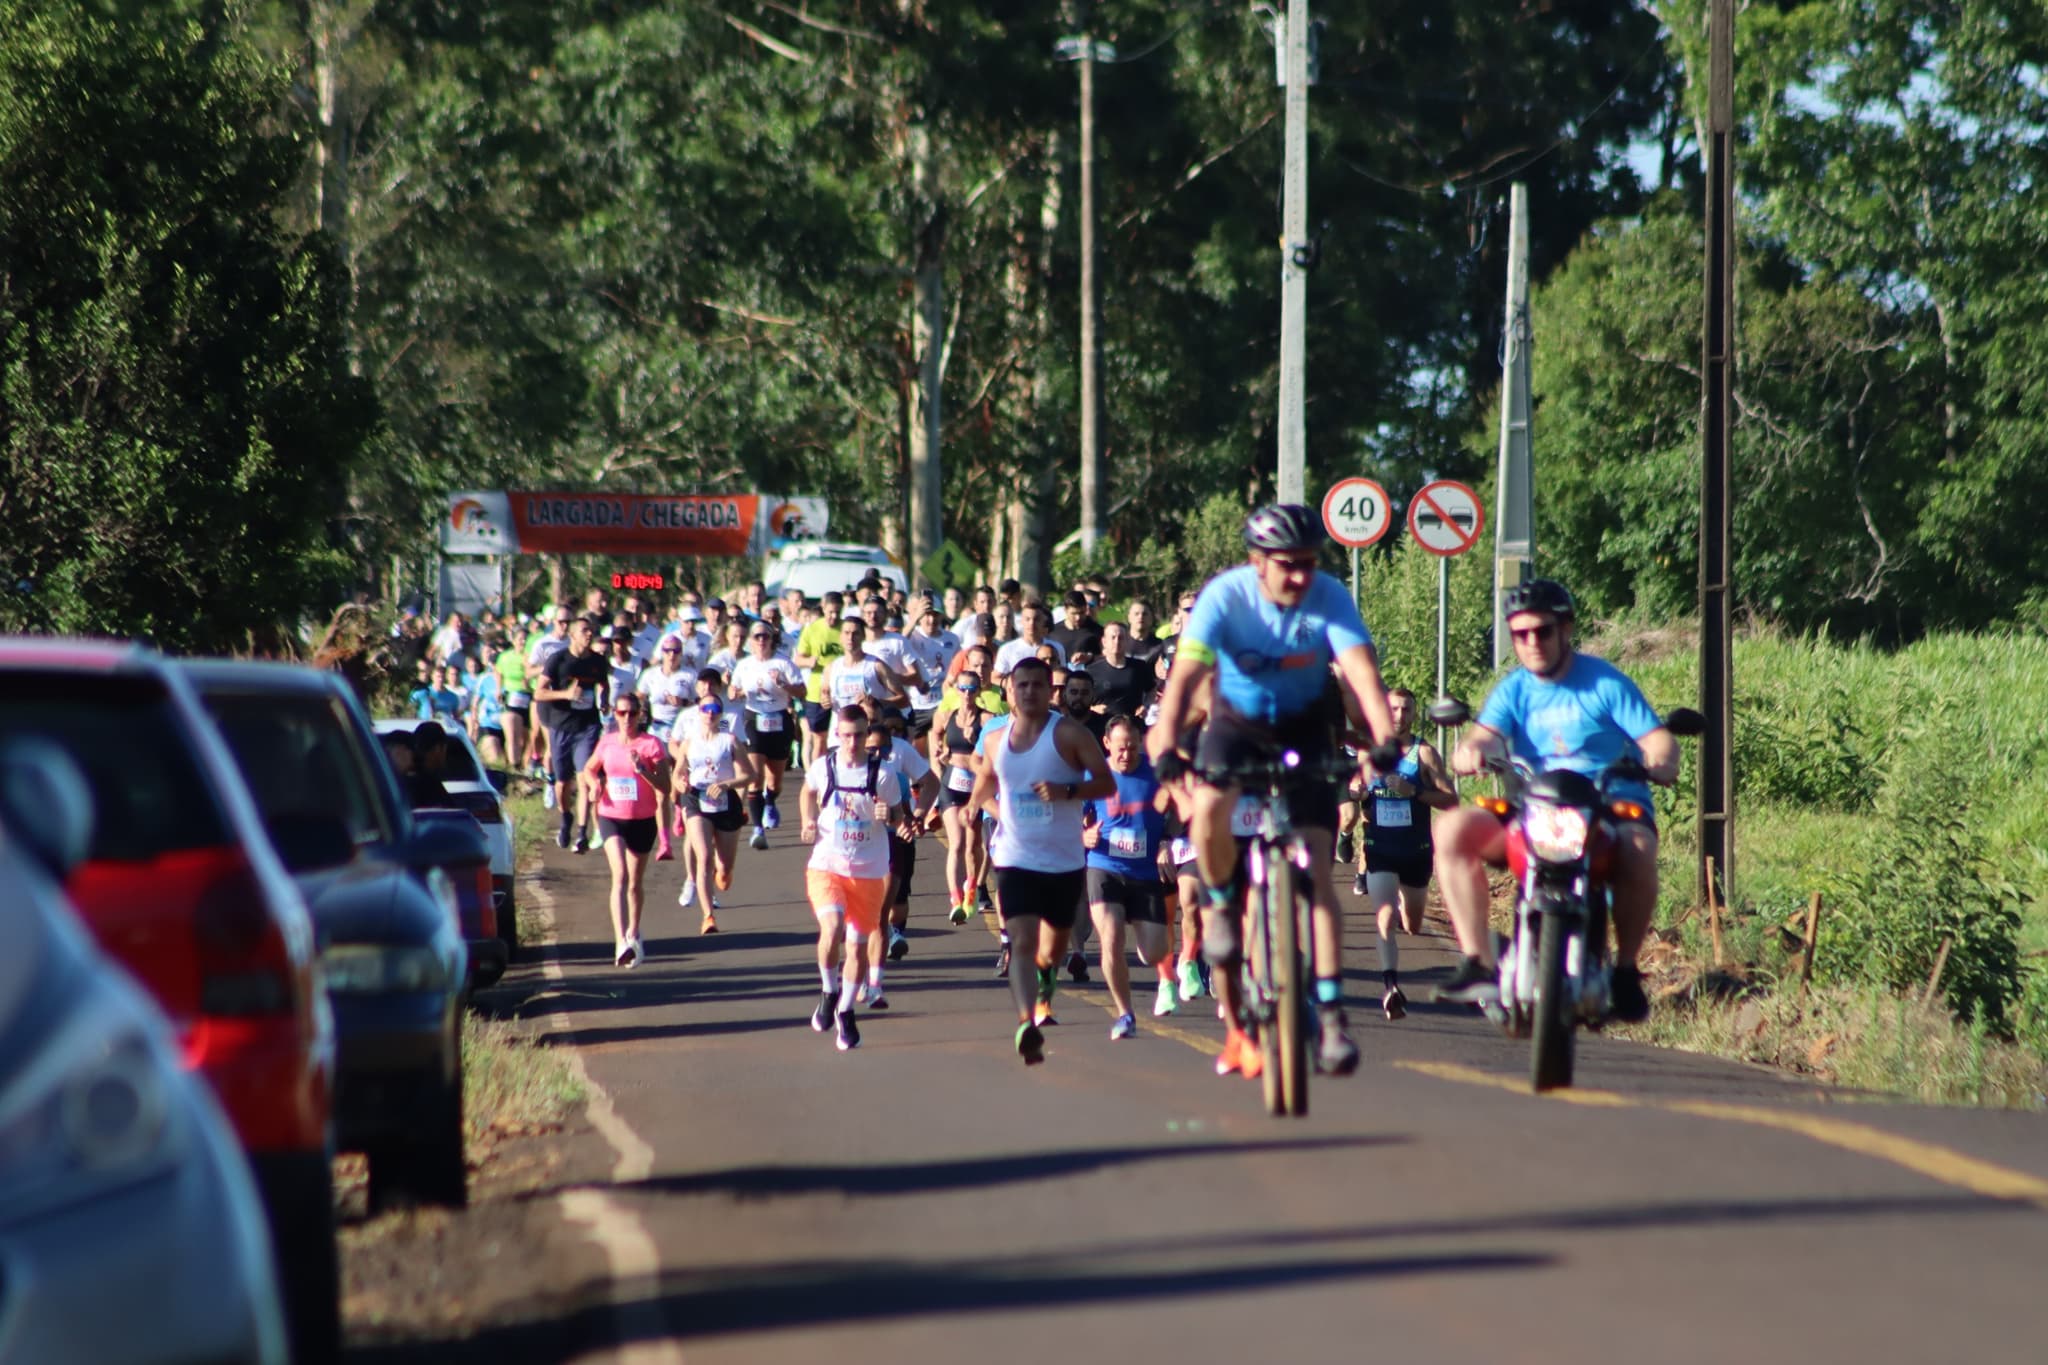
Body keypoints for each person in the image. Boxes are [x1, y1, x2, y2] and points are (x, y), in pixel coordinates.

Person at [1146, 503, 1397, 1079]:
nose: (1301, 576)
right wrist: (1165, 748)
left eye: (1309, 562)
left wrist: (1384, 739)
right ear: (1257, 562)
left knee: (1317, 874)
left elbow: (1363, 675)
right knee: (1210, 800)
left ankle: (1330, 1016)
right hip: (1237, 726)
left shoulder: (1329, 596)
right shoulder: (1224, 598)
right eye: (1288, 565)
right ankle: (1219, 902)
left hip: (1303, 729)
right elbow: (1183, 684)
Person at [1432, 579, 1678, 1023]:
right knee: (1451, 829)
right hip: (1534, 810)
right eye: (1520, 634)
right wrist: (1472, 751)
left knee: (1638, 847)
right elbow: (1484, 735)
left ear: (1566, 629)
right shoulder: (1513, 690)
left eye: (1542, 631)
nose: (1532, 642)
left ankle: (1625, 971)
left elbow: (1658, 740)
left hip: (1606, 806)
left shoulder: (1606, 683)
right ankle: (1477, 962)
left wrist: (1659, 760)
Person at [964, 657, 1117, 1065]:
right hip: (1014, 856)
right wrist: (975, 805)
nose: (1029, 691)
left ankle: (1047, 981)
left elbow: (1106, 783)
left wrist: (1067, 791)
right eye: (1022, 685)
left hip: (1063, 861)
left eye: (1037, 684)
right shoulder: (995, 739)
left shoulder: (1069, 734)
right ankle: (1025, 1023)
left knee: (1051, 951)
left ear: (1051, 690)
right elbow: (988, 778)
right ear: (1010, 692)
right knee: (1021, 942)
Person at [799, 707, 915, 1053]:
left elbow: (899, 815)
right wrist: (808, 820)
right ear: (837, 735)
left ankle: (846, 1011)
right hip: (828, 864)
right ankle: (828, 991)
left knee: (857, 946)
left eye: (859, 735)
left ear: (867, 735)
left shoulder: (883, 774)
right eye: (846, 735)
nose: (852, 742)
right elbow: (807, 791)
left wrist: (889, 814)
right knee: (833, 928)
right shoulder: (824, 767)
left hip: (868, 871)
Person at [1351, 687, 1456, 1020]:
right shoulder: (1369, 751)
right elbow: (1356, 787)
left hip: (1415, 852)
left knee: (1411, 924)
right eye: (1394, 709)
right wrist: (1357, 791)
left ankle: (1404, 909)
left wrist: (1415, 792)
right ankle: (1391, 988)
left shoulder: (1424, 753)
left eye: (1406, 709)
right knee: (1384, 916)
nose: (1399, 716)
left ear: (1414, 713)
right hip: (1380, 849)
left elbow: (1451, 800)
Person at [1083, 716, 1175, 1037]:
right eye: (1121, 748)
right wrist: (1083, 835)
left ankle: (1139, 928)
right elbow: (1071, 816)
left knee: (1154, 953)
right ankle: (1125, 1014)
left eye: (1133, 748)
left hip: (1145, 873)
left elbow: (1178, 811)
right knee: (1110, 938)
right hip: (1104, 866)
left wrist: (1166, 841)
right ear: (1107, 744)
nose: (1126, 754)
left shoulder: (1156, 774)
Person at [581, 692, 670, 967]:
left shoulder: (652, 744)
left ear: (640, 715)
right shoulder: (607, 742)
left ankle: (633, 932)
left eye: (632, 713)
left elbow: (666, 787)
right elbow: (589, 769)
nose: (627, 718)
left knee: (634, 883)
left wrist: (643, 770)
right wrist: (595, 784)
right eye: (621, 713)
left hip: (642, 819)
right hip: (611, 815)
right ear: (615, 715)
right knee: (619, 875)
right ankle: (621, 942)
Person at [670, 694, 755, 930]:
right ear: (699, 712)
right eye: (706, 708)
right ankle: (708, 916)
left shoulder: (730, 741)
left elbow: (749, 775)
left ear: (721, 714)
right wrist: (680, 783)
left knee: (724, 869)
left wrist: (727, 784)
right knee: (704, 856)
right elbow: (678, 772)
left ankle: (723, 873)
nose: (710, 713)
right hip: (696, 799)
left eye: (715, 709)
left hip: (725, 801)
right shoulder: (689, 742)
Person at [535, 616, 610, 853]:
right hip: (561, 726)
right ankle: (566, 816)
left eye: (591, 630)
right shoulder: (558, 660)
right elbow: (539, 693)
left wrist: (604, 700)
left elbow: (604, 683)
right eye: (584, 630)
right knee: (562, 783)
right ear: (572, 635)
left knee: (585, 777)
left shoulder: (598, 661)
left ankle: (582, 832)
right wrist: (565, 695)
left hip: (587, 726)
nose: (589, 634)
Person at [728, 621, 806, 849]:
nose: (761, 640)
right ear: (751, 641)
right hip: (754, 719)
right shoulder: (744, 665)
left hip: (779, 719)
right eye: (757, 636)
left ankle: (770, 801)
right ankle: (758, 830)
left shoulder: (783, 663)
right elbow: (733, 690)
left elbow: (802, 691)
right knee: (755, 776)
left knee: (775, 780)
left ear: (772, 639)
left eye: (765, 636)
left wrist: (783, 684)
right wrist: (735, 692)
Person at [930, 667, 998, 927]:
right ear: (956, 690)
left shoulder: (987, 720)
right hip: (951, 784)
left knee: (973, 845)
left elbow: (995, 750)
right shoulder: (946, 716)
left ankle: (972, 886)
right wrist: (940, 756)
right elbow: (935, 736)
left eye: (971, 689)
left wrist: (976, 740)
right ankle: (955, 900)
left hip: (975, 788)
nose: (967, 694)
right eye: (962, 689)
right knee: (956, 844)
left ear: (978, 691)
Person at [635, 635, 695, 861]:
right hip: (657, 730)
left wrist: (682, 703)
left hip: (681, 731)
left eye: (676, 651)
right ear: (662, 653)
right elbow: (639, 697)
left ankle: (678, 807)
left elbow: (700, 703)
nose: (672, 655)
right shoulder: (651, 675)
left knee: (679, 778)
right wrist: (641, 710)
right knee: (660, 789)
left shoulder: (689, 676)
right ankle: (665, 842)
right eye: (668, 650)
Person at [793, 591, 848, 765]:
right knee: (819, 738)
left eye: (837, 612)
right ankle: (818, 775)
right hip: (817, 692)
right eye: (830, 612)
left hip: (843, 690)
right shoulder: (812, 629)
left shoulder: (847, 629)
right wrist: (809, 661)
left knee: (844, 736)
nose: (834, 616)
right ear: (823, 608)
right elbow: (798, 659)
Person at [524, 607, 573, 781]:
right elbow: (528, 672)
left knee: (556, 741)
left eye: (568, 622)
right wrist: (548, 668)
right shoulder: (543, 644)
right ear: (554, 622)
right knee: (538, 733)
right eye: (561, 622)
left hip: (565, 698)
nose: (565, 626)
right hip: (544, 696)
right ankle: (535, 760)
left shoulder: (573, 643)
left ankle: (553, 778)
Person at [822, 618, 908, 713]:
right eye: (846, 633)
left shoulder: (876, 665)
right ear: (840, 636)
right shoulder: (831, 668)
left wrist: (876, 703)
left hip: (870, 722)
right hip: (840, 721)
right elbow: (824, 694)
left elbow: (904, 700)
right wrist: (825, 700)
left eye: (856, 633)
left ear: (863, 636)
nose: (850, 637)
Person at [1087, 621, 1152, 722]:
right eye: (1113, 637)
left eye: (1121, 638)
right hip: (1102, 724)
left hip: (1132, 724)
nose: (1117, 642)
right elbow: (1081, 698)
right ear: (1104, 642)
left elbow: (1152, 689)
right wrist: (1092, 709)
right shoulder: (1092, 670)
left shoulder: (1139, 667)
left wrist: (1146, 706)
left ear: (1127, 641)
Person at [493, 632, 532, 782]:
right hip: (512, 697)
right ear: (514, 640)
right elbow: (498, 672)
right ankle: (513, 767)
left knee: (528, 737)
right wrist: (498, 689)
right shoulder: (505, 656)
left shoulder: (530, 656)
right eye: (520, 639)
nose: (523, 641)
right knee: (512, 735)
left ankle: (526, 766)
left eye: (525, 639)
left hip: (529, 697)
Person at [993, 602, 1064, 679]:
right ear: (1021, 621)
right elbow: (995, 678)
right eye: (1027, 619)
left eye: (1037, 619)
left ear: (1044, 622)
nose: (1032, 623)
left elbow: (1063, 674)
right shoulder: (1007, 649)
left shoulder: (1056, 648)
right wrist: (1009, 684)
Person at [467, 654, 507, 766]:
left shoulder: (508, 679)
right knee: (494, 755)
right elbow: (475, 703)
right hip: (487, 723)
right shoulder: (484, 679)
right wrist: (474, 721)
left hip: (505, 725)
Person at [1048, 592, 1103, 665]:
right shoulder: (1053, 632)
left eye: (1082, 613)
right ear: (1065, 610)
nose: (1078, 618)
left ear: (1086, 608)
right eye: (1074, 613)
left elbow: (1107, 656)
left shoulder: (1097, 630)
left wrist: (1089, 657)